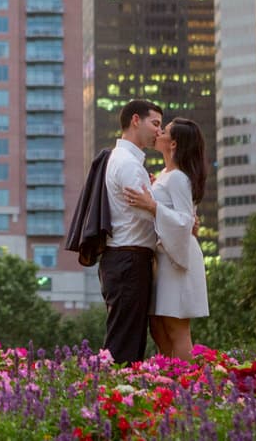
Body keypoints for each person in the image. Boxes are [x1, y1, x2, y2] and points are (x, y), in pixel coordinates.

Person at [124, 117, 208, 361]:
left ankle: (188, 387)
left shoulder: (179, 177)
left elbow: (184, 221)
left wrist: (153, 206)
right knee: (158, 327)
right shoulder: (165, 174)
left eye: (165, 130)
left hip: (177, 261)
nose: (159, 132)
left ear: (174, 144)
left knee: (175, 328)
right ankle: (170, 381)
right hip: (164, 259)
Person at [99, 99, 163, 364]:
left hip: (125, 260)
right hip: (129, 260)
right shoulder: (127, 163)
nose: (158, 131)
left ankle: (118, 397)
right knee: (124, 344)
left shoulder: (124, 159)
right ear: (136, 120)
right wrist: (169, 212)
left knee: (129, 339)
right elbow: (144, 213)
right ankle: (111, 398)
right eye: (155, 123)